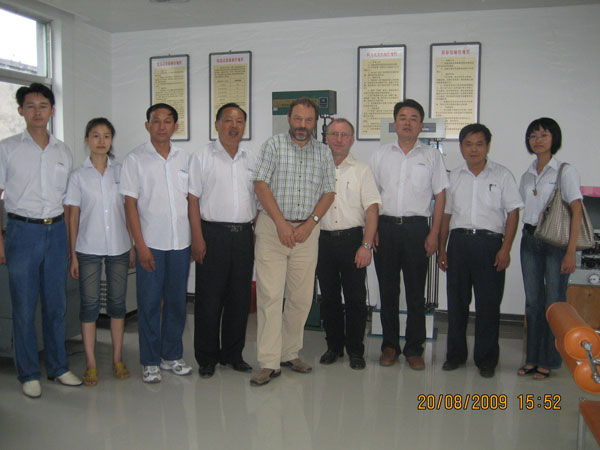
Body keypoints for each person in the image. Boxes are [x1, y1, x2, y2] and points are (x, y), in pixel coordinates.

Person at [0, 83, 82, 398]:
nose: (37, 112)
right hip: (22, 232)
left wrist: (70, 242)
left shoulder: (62, 150)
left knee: (56, 305)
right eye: (31, 106)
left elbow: (67, 201)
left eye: (43, 105)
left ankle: (58, 367)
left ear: (52, 110)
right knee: (23, 306)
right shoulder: (8, 148)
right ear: (21, 111)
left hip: (56, 231)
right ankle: (29, 373)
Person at [251, 97, 335, 386]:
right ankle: (268, 361)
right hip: (273, 229)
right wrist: (281, 223)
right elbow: (260, 185)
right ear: (289, 119)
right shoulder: (273, 145)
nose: (302, 125)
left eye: (308, 120)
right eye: (298, 119)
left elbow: (329, 193)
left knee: (300, 298)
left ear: (315, 122)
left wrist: (310, 224)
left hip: (306, 233)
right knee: (271, 296)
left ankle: (289, 353)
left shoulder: (323, 152)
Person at [437, 124, 522, 378]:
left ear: (488, 146)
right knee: (457, 304)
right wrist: (442, 249)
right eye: (468, 144)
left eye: (479, 144)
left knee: (488, 305)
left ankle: (486, 360)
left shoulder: (502, 175)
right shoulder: (454, 177)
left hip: (490, 245)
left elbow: (513, 213)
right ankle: (455, 356)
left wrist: (505, 248)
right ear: (461, 147)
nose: (473, 149)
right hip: (459, 243)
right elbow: (446, 215)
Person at [370, 99, 449, 370]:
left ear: (421, 125)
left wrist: (434, 233)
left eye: (413, 118)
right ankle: (389, 346)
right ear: (394, 124)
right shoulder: (380, 155)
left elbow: (440, 196)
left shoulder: (432, 156)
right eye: (402, 117)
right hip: (385, 228)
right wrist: (372, 230)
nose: (407, 122)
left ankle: (414, 349)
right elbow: (371, 196)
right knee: (388, 291)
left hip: (417, 229)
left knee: (416, 292)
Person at [120, 103, 192, 383]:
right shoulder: (135, 159)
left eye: (167, 121)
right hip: (150, 243)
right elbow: (130, 204)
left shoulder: (185, 158)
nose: (162, 126)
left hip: (180, 242)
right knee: (149, 303)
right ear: (147, 125)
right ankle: (150, 360)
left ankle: (171, 355)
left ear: (176, 126)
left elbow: (191, 200)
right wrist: (139, 245)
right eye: (156, 121)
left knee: (176, 302)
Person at [188, 103, 256, 378]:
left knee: (239, 299)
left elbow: (258, 199)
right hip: (212, 234)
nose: (234, 125)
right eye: (228, 120)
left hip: (243, 236)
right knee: (209, 299)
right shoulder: (202, 156)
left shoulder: (250, 158)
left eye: (239, 121)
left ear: (244, 127)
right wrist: (197, 238)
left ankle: (233, 354)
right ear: (217, 124)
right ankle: (207, 358)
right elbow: (192, 199)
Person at [65, 118, 135, 386]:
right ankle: (91, 363)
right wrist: (73, 255)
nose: (101, 141)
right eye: (95, 135)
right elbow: (72, 217)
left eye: (106, 136)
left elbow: (129, 211)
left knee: (117, 304)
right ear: (87, 140)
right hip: (87, 248)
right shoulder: (78, 176)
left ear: (111, 140)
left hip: (119, 247)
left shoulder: (121, 172)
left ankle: (117, 358)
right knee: (90, 305)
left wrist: (131, 244)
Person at [517, 117, 583, 380]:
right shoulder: (527, 174)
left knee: (554, 303)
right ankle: (532, 358)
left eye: (544, 135)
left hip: (556, 244)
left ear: (554, 139)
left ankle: (549, 360)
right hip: (529, 240)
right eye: (533, 136)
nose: (538, 140)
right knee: (533, 303)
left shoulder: (565, 171)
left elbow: (577, 211)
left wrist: (571, 251)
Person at [316, 118, 381, 370]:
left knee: (355, 298)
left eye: (344, 135)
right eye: (334, 134)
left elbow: (372, 210)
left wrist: (366, 245)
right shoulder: (316, 167)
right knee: (328, 298)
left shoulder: (362, 170)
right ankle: (333, 347)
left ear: (352, 140)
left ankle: (356, 350)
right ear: (326, 137)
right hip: (322, 241)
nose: (339, 139)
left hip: (353, 240)